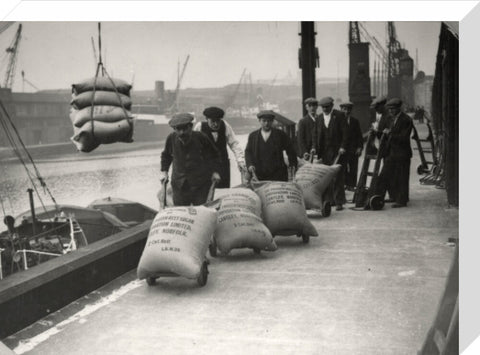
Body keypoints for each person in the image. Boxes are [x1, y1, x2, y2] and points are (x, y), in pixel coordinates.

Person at [160, 113, 222, 206]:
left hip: (200, 185)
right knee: (180, 212)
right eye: (178, 129)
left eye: (185, 128)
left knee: (202, 211)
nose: (182, 132)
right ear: (174, 129)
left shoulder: (201, 137)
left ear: (191, 127)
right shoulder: (171, 138)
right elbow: (166, 156)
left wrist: (215, 172)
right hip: (179, 185)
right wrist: (164, 172)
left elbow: (214, 155)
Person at [194, 106, 246, 188]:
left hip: (223, 166)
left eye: (218, 121)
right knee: (206, 192)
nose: (216, 124)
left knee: (224, 191)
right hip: (206, 167)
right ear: (207, 119)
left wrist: (240, 161)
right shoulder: (199, 127)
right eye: (213, 121)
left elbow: (234, 144)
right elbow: (194, 149)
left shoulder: (225, 126)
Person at [375, 98, 413, 208]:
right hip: (392, 153)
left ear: (399, 108)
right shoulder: (391, 119)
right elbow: (387, 135)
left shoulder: (406, 120)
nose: (391, 111)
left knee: (402, 177)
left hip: (403, 153)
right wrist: (380, 132)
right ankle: (378, 198)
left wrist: (390, 133)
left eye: (393, 109)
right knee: (385, 175)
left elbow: (404, 138)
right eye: (389, 109)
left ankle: (402, 200)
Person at [245, 110, 297, 181]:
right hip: (260, 175)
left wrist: (292, 164)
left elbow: (291, 150)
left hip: (278, 175)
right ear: (259, 121)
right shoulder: (253, 136)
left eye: (269, 121)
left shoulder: (280, 135)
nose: (266, 123)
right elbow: (248, 152)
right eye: (264, 121)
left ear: (272, 121)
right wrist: (250, 165)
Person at [317, 96, 348, 211]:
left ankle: (339, 202)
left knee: (338, 176)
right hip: (324, 152)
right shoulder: (319, 118)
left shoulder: (339, 116)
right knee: (326, 177)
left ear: (331, 106)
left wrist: (343, 146)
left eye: (327, 107)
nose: (325, 109)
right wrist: (314, 148)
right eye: (323, 107)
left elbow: (345, 133)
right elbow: (316, 135)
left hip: (337, 151)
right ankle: (329, 201)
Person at [339, 102, 363, 191]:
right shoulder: (338, 121)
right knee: (343, 167)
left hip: (353, 149)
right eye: (344, 109)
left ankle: (352, 185)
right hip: (342, 149)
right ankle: (344, 184)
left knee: (353, 167)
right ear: (341, 110)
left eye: (349, 109)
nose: (347, 111)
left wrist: (360, 147)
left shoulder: (355, 121)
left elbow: (359, 136)